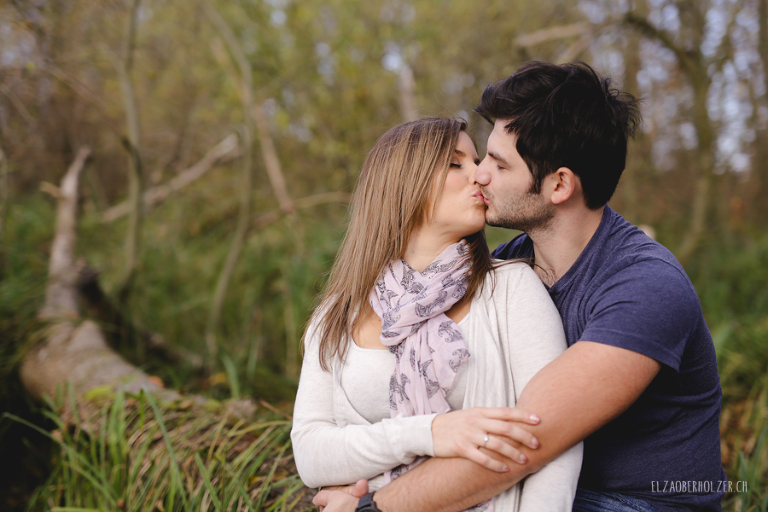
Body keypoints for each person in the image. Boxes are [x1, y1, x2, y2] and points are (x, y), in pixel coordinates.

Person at [315, 62, 725, 512]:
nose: (480, 174)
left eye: (498, 162)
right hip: (527, 487)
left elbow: (525, 442)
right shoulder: (508, 265)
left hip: (637, 502)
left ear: (559, 185)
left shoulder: (645, 286)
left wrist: (372, 505)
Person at [291, 117, 582, 511]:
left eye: (477, 161)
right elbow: (310, 455)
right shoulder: (336, 315)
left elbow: (553, 443)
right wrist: (427, 433)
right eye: (454, 163)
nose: (480, 174)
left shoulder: (512, 290)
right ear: (402, 182)